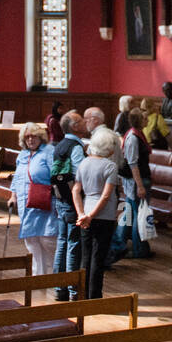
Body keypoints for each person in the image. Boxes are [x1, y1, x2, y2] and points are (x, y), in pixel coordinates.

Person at [73, 127, 123, 301]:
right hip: (104, 217)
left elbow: (76, 190)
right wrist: (91, 216)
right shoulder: (110, 166)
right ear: (110, 149)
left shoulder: (84, 163)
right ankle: (94, 297)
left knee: (85, 256)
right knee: (98, 258)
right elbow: (107, 195)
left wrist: (82, 213)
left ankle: (82, 294)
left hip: (85, 214)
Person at [11, 122, 60, 275]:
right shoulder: (23, 154)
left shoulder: (49, 151)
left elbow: (56, 176)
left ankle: (55, 275)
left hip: (44, 202)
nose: (30, 140)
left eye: (34, 136)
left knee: (48, 239)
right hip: (25, 203)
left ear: (41, 137)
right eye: (27, 137)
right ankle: (37, 275)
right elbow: (17, 178)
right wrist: (13, 195)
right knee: (31, 240)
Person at [50, 110, 86, 301]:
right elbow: (81, 175)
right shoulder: (76, 147)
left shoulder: (58, 145)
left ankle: (59, 288)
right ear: (74, 126)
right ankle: (73, 292)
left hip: (59, 199)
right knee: (74, 244)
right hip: (73, 202)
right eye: (81, 120)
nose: (85, 122)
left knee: (62, 243)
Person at [111, 108, 153, 261]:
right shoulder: (134, 138)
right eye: (145, 118)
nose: (147, 120)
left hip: (133, 182)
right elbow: (133, 164)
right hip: (136, 182)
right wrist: (140, 186)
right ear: (139, 120)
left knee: (128, 214)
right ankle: (139, 249)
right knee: (138, 216)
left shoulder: (134, 134)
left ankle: (118, 245)